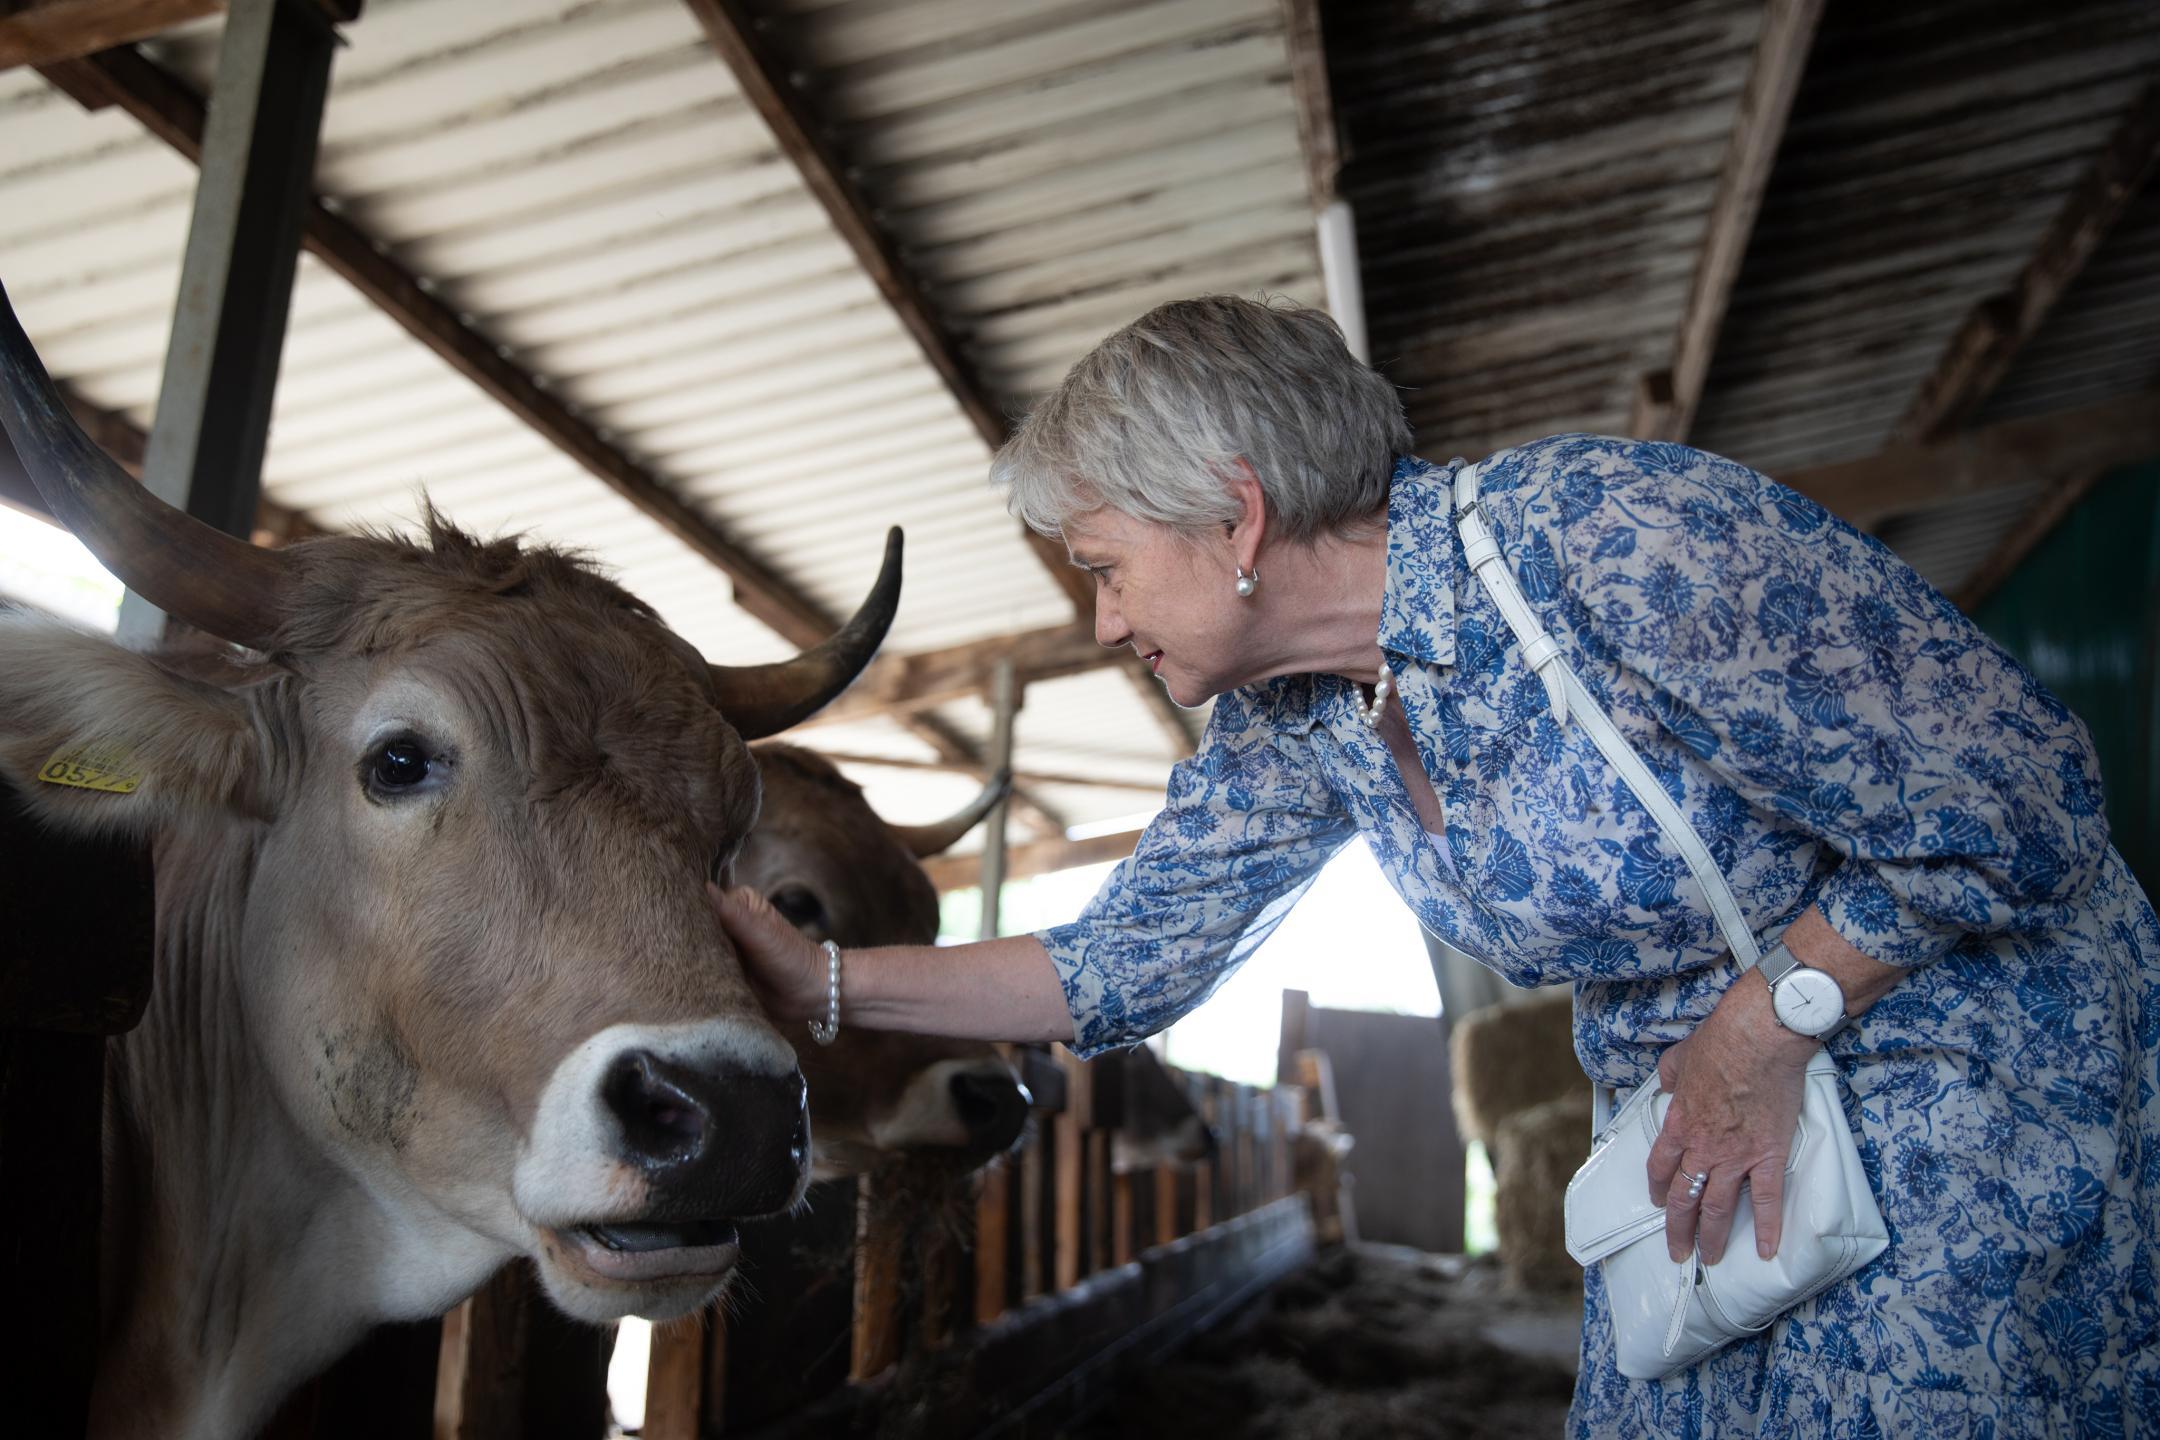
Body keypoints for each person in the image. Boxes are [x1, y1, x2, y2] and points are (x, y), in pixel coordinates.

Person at [709, 295, 2160, 1435]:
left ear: (1238, 516)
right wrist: (826, 983)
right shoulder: (1307, 720)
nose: (1097, 623)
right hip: (1699, 1151)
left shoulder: (1613, 541)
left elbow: (2024, 795)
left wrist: (1761, 1022)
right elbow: (1112, 964)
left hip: (1956, 1094)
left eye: (1102, 565)